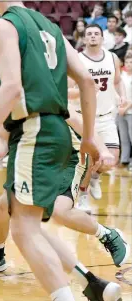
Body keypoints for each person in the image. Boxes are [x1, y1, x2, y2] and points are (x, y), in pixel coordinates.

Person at [0, 2, 105, 300]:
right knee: (28, 223)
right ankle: (93, 284)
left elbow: (11, 88)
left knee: (23, 230)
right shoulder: (51, 27)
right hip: (59, 130)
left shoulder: (3, 25)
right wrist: (88, 136)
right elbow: (87, 81)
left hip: (33, 129)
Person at [0, 105, 128, 300]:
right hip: (34, 160)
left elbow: (82, 123)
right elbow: (3, 138)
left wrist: (101, 150)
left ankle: (107, 236)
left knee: (56, 213)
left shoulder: (45, 93)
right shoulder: (10, 99)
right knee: (3, 207)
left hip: (69, 159)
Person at [69, 24, 127, 213]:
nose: (93, 37)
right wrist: (81, 92)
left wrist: (122, 95)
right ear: (84, 39)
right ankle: (83, 195)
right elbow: (65, 89)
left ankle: (95, 177)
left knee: (112, 159)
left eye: (96, 34)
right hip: (84, 118)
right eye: (89, 34)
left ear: (102, 38)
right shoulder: (77, 60)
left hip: (106, 116)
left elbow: (117, 81)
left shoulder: (112, 57)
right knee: (88, 160)